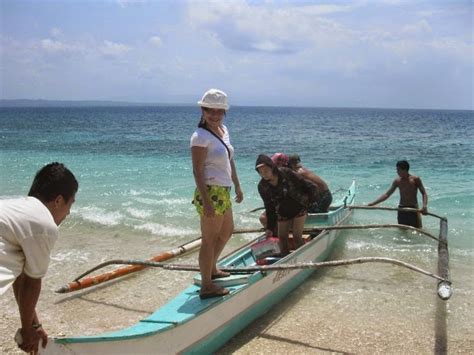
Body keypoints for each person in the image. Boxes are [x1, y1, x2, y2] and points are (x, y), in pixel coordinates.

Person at [0, 162, 78, 354]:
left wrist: (33, 326)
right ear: (59, 200)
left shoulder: (15, 210)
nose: (68, 213)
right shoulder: (43, 223)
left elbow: (21, 278)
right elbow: (31, 282)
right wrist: (28, 331)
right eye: (70, 204)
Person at [190, 88, 243, 299]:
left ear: (224, 113)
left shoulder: (223, 130)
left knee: (227, 231)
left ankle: (212, 269)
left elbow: (229, 160)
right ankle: (206, 285)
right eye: (210, 111)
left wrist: (237, 185)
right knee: (209, 239)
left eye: (219, 111)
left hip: (224, 190)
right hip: (210, 191)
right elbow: (197, 170)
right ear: (203, 111)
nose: (214, 115)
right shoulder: (200, 136)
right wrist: (206, 200)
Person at [255, 154, 318, 255]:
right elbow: (269, 207)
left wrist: (311, 202)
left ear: (272, 167)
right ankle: (286, 260)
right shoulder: (262, 186)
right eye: (260, 172)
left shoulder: (285, 172)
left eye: (266, 170)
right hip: (282, 211)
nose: (264, 174)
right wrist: (270, 228)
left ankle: (303, 258)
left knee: (297, 237)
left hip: (299, 206)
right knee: (282, 238)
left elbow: (306, 185)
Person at [368, 160, 428, 228]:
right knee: (402, 230)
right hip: (401, 209)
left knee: (417, 230)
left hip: (413, 209)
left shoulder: (415, 179)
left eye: (398, 170)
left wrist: (424, 206)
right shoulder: (397, 181)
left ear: (404, 169)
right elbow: (387, 195)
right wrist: (373, 203)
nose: (397, 172)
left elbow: (424, 193)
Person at [258, 152, 289, 229]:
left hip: (295, 207)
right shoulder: (263, 184)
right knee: (263, 218)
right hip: (279, 208)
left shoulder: (289, 174)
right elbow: (269, 206)